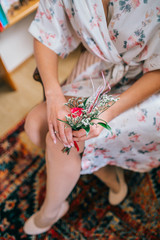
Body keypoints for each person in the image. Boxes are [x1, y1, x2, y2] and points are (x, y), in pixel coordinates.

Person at [23, 0, 160, 235]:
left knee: (61, 141)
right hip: (105, 69)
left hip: (148, 86)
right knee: (35, 124)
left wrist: (106, 112)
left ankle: (50, 210)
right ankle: (104, 172)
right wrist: (54, 94)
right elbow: (46, 31)